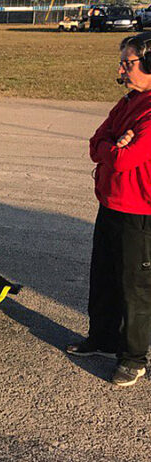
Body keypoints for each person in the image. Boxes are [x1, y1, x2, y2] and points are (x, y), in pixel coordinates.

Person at [66, 33, 151, 387]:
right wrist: (112, 143)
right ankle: (102, 337)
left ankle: (133, 357)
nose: (121, 69)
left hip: (139, 212)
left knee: (135, 285)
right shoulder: (127, 102)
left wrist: (117, 145)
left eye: (128, 63)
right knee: (103, 276)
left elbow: (127, 157)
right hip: (110, 203)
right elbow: (95, 144)